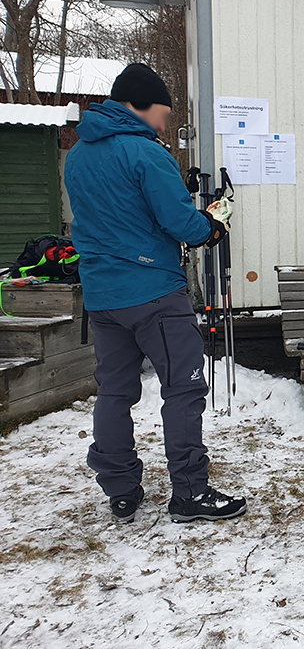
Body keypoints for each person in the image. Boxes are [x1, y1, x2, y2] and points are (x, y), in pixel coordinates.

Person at [63, 63, 246, 524]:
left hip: (103, 296)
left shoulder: (80, 154)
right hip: (154, 294)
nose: (165, 123)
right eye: (162, 113)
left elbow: (116, 215)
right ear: (137, 105)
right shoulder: (145, 153)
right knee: (183, 390)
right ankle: (189, 492)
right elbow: (182, 224)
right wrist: (214, 225)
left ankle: (121, 488)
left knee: (114, 392)